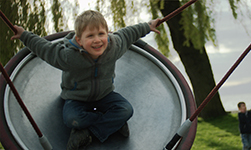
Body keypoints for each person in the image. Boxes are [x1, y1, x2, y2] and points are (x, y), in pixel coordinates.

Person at [11, 10, 160, 149]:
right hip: (76, 98)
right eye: (90, 36)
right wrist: (24, 35)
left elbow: (129, 34)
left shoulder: (114, 47)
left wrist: (148, 26)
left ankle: (89, 133)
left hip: (105, 95)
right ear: (79, 40)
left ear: (107, 34)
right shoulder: (69, 57)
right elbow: (46, 50)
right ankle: (113, 123)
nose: (97, 40)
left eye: (101, 34)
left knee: (126, 110)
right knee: (72, 119)